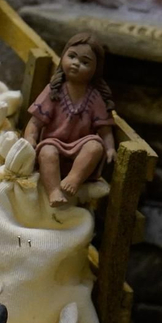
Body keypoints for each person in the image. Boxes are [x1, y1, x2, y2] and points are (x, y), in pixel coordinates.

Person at [24, 32, 117, 208]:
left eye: (85, 62)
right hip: (53, 144)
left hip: (80, 149)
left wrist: (110, 148)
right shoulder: (54, 91)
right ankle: (54, 191)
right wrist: (30, 138)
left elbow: (105, 129)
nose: (76, 63)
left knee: (95, 146)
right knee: (47, 152)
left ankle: (74, 179)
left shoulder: (94, 97)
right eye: (72, 56)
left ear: (95, 69)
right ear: (63, 57)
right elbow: (35, 122)